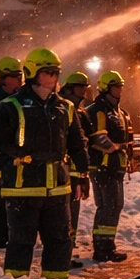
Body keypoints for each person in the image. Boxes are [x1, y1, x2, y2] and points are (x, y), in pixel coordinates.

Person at [0, 48, 89, 279]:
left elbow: (77, 144)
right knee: (21, 242)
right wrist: (22, 155)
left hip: (57, 188)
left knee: (59, 241)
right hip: (22, 187)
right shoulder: (10, 105)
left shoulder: (65, 107)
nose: (54, 77)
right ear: (33, 72)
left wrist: (81, 175)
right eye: (48, 72)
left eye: (56, 72)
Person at [83, 70, 134, 263]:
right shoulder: (97, 110)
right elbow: (97, 138)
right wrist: (117, 148)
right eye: (116, 87)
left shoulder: (119, 112)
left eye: (120, 86)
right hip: (103, 167)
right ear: (105, 88)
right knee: (108, 206)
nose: (119, 90)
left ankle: (106, 244)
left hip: (115, 167)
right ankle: (102, 248)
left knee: (114, 206)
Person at [59, 72, 94, 267]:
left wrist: (83, 174)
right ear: (71, 88)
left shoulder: (80, 113)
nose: (84, 91)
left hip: (74, 173)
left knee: (72, 218)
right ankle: (62, 256)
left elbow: (85, 143)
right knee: (65, 219)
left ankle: (66, 254)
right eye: (81, 87)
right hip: (62, 174)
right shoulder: (62, 109)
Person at [0, 56, 24, 256]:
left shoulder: (18, 100)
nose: (19, 80)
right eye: (14, 76)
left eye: (20, 75)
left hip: (11, 162)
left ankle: (5, 236)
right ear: (3, 78)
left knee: (8, 201)